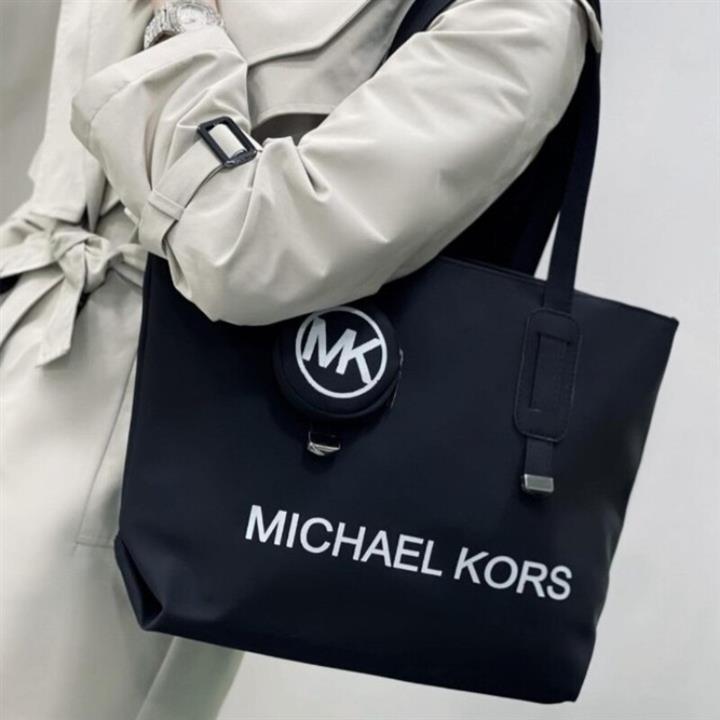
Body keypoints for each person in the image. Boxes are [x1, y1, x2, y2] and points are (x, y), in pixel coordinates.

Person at [0, 0, 602, 718]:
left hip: (137, 454)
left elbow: (253, 254)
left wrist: (177, 20)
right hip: (30, 342)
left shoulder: (519, 17)